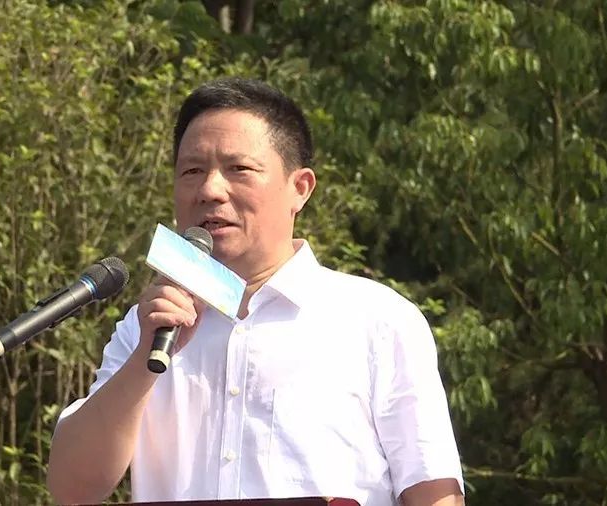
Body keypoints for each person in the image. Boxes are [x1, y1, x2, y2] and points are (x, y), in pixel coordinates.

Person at [47, 78, 464, 506]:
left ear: (299, 188)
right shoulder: (145, 329)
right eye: (192, 171)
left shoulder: (377, 320)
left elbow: (434, 492)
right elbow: (72, 491)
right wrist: (143, 363)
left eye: (238, 169)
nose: (210, 190)